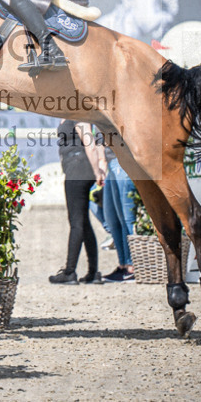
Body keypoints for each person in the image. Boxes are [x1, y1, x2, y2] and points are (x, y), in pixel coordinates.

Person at [50, 120, 107, 285]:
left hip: (78, 168)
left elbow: (90, 142)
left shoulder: (78, 114)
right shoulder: (69, 114)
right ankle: (93, 272)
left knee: (76, 222)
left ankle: (69, 271)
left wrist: (97, 171)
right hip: (77, 166)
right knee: (83, 221)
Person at [101, 141, 137, 283]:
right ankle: (123, 265)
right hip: (111, 162)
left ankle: (132, 266)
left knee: (126, 218)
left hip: (123, 159)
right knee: (112, 219)